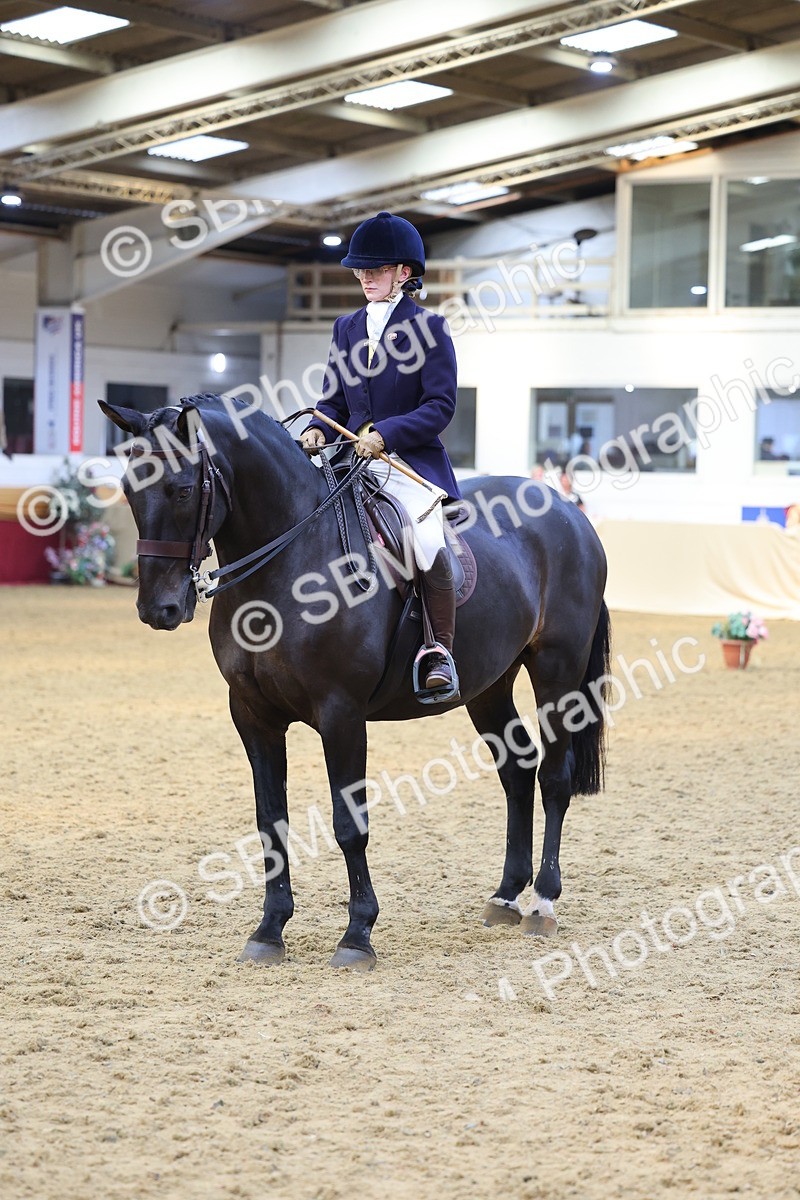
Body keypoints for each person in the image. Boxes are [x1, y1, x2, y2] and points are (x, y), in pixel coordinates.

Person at [301, 211, 461, 698]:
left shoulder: (430, 328)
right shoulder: (346, 327)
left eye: (377, 270)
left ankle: (438, 648)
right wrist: (316, 427)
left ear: (404, 273)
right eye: (361, 271)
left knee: (425, 539)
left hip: (405, 463)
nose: (366, 278)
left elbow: (440, 406)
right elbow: (333, 399)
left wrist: (387, 434)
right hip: (348, 460)